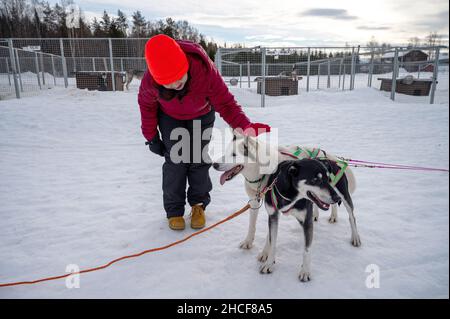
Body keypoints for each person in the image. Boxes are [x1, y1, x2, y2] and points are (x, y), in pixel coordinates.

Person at [138, 34, 270, 230]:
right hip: (170, 118)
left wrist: (245, 127)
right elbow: (146, 107)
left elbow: (226, 103)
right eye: (168, 82)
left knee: (198, 159)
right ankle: (174, 211)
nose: (175, 85)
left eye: (178, 78)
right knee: (176, 161)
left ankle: (198, 205)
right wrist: (151, 137)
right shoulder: (150, 82)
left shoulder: (204, 70)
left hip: (201, 115)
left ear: (186, 67)